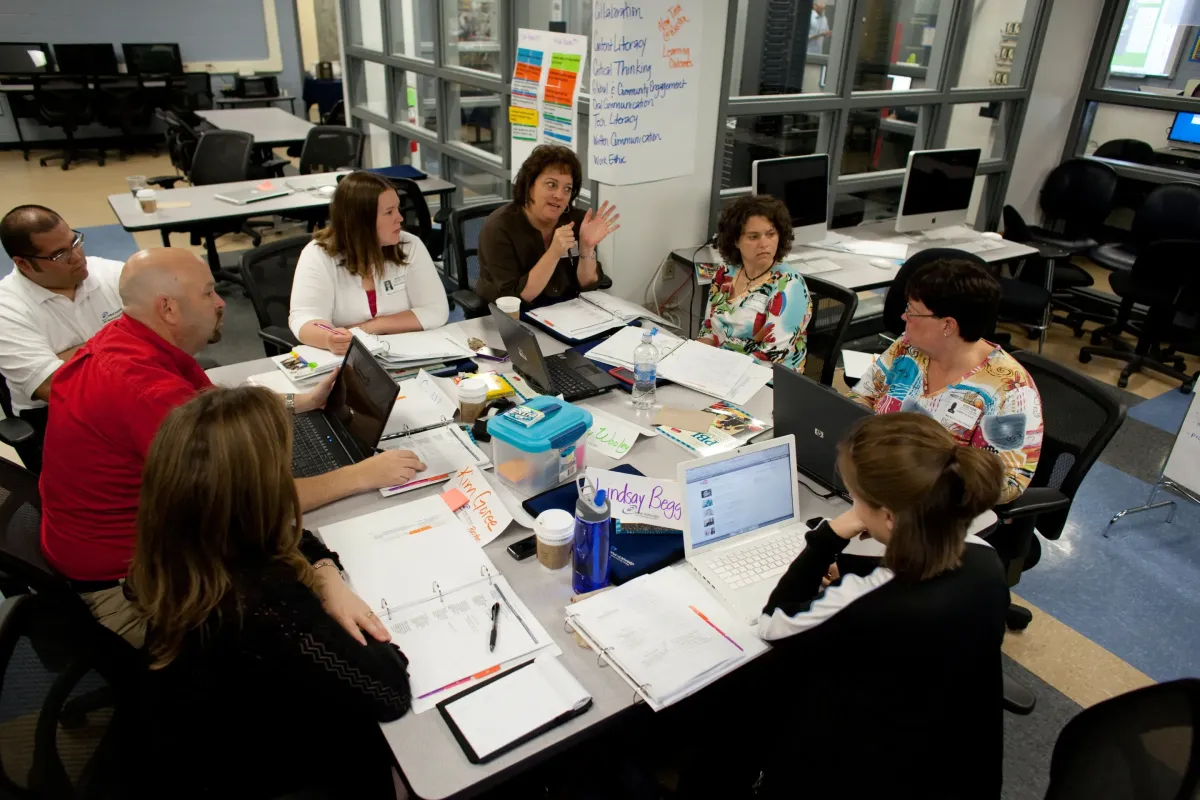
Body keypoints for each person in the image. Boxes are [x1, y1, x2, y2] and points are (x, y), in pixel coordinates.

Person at [39, 248, 425, 645]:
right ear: (169, 308)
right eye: (208, 293)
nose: (222, 302)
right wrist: (361, 475)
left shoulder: (133, 342)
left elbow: (213, 404)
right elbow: (253, 503)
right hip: (137, 586)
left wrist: (302, 401)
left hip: (134, 541)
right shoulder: (148, 393)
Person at [132, 386, 410, 798]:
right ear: (260, 497)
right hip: (280, 770)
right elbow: (389, 690)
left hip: (216, 734)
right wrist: (347, 614)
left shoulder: (186, 547)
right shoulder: (265, 605)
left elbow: (291, 535)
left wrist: (326, 577)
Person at [757, 412, 1009, 797]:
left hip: (863, 766)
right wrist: (855, 567)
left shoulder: (866, 600)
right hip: (952, 758)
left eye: (857, 499)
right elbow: (918, 570)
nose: (854, 506)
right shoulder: (986, 558)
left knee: (748, 702)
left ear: (888, 517)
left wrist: (831, 535)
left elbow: (774, 623)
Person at [849, 258, 1042, 504]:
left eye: (911, 310)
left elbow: (1007, 482)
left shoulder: (1010, 389)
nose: (903, 316)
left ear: (948, 325)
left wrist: (916, 476)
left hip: (937, 509)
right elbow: (861, 396)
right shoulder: (907, 348)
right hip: (876, 482)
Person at [0, 205, 124, 470]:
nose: (77, 256)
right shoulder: (6, 309)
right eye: (59, 254)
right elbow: (56, 386)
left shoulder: (110, 273)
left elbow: (174, 328)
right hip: (54, 417)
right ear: (22, 263)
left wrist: (70, 355)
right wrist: (129, 339)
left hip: (126, 397)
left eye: (75, 241)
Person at [290, 170, 449, 355]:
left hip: (405, 353)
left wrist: (369, 327)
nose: (400, 218)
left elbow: (436, 311)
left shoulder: (409, 246)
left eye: (398, 208)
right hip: (345, 359)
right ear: (361, 221)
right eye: (389, 212)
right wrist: (329, 339)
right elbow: (303, 318)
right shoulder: (318, 255)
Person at [476, 144, 620, 307]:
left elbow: (589, 285)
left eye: (567, 189)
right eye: (551, 185)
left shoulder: (577, 221)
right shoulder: (499, 227)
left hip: (567, 315)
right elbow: (516, 298)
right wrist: (554, 252)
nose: (559, 195)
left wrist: (586, 248)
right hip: (509, 317)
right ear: (530, 185)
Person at [698, 194, 812, 370]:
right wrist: (689, 356)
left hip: (766, 380)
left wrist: (717, 369)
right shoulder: (725, 272)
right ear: (735, 240)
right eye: (753, 237)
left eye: (771, 234)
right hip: (720, 368)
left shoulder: (789, 285)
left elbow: (770, 357)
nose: (764, 243)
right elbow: (709, 331)